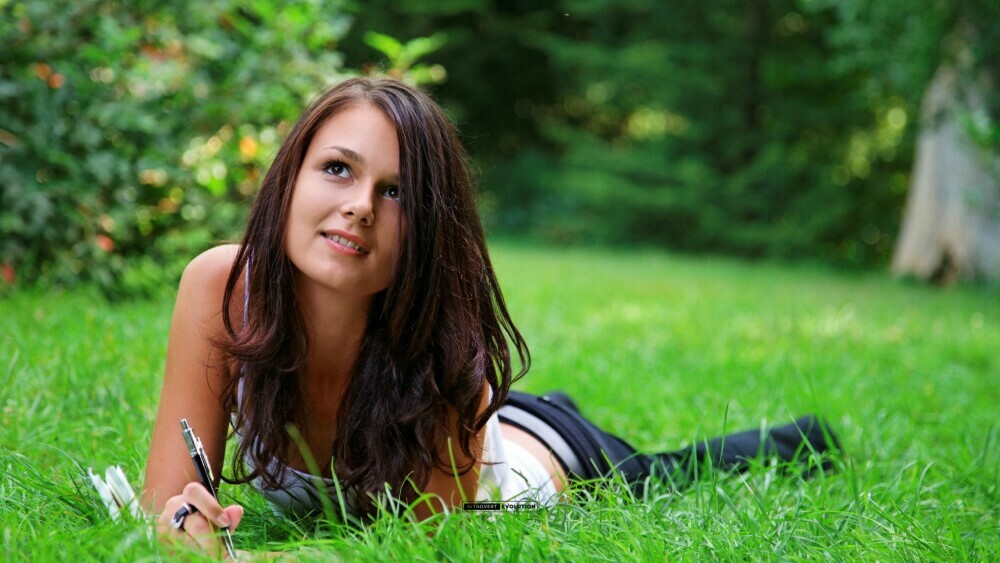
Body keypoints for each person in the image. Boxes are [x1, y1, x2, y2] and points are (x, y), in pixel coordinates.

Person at [141, 77, 839, 557]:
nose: (359, 205)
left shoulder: (441, 352)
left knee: (672, 471)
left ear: (427, 228)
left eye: (397, 192)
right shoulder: (222, 286)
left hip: (535, 462)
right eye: (336, 169)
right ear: (289, 176)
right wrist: (184, 525)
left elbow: (425, 549)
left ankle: (804, 437)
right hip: (485, 423)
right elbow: (165, 498)